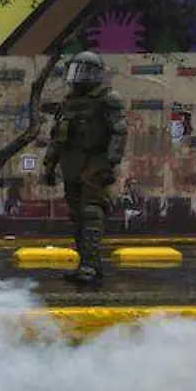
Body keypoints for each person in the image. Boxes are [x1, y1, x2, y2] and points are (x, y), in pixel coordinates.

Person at [41, 51, 127, 284]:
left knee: (91, 211)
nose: (77, 77)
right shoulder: (68, 103)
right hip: (72, 162)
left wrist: (110, 163)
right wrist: (49, 165)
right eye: (75, 70)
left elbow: (118, 132)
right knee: (77, 215)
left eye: (84, 71)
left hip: (94, 162)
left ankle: (89, 265)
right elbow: (57, 137)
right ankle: (88, 263)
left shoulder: (107, 99)